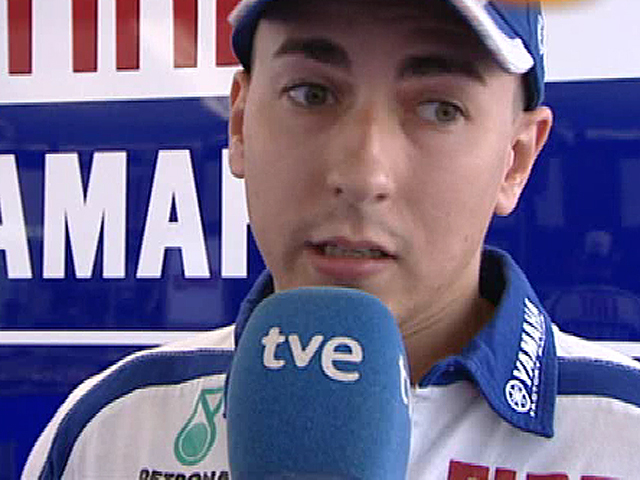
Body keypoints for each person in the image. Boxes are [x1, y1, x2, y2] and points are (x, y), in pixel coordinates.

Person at [23, 0, 640, 478]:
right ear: (239, 125)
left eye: (439, 110)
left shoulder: (621, 435)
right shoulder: (112, 431)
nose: (363, 175)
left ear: (516, 160)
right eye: (310, 94)